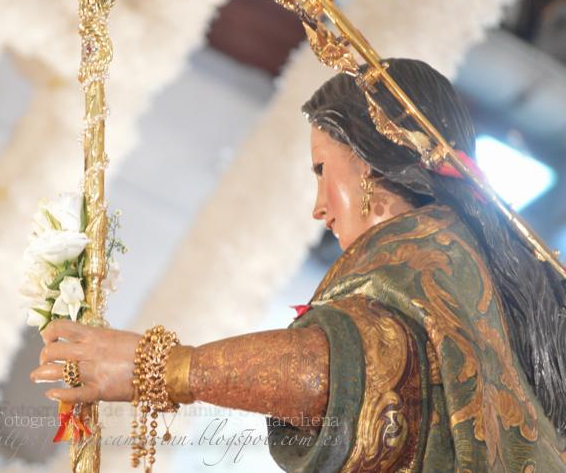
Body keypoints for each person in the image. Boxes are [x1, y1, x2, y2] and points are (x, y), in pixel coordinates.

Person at [30, 59, 566, 471]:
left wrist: (158, 367)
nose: (319, 207)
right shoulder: (459, 265)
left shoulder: (431, 260)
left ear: (370, 164)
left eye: (321, 170)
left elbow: (359, 370)